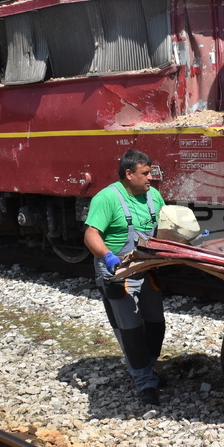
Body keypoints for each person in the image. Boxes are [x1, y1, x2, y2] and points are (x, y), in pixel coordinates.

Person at [84, 149, 167, 406]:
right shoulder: (107, 198)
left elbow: (165, 229)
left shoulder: (153, 196)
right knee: (131, 330)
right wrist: (108, 257)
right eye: (145, 173)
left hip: (146, 268)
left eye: (151, 172)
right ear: (128, 174)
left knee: (155, 324)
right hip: (117, 273)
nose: (151, 178)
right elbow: (91, 234)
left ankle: (146, 368)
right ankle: (145, 382)